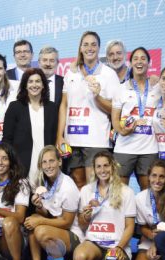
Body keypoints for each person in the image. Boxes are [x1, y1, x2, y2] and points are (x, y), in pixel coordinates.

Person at [56, 31, 119, 189]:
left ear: (99, 48)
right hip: (72, 139)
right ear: (80, 48)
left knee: (94, 185)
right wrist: (59, 135)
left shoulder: (109, 74)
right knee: (77, 183)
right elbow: (64, 104)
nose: (89, 48)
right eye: (86, 44)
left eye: (93, 44)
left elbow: (115, 109)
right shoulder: (71, 72)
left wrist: (97, 96)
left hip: (96, 140)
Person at [73, 151, 136, 260]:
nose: (103, 170)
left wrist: (119, 248)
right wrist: (86, 216)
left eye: (106, 165)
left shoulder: (127, 192)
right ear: (94, 169)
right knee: (79, 258)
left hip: (116, 246)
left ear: (113, 167)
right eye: (99, 166)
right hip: (94, 244)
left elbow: (130, 226)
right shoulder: (86, 190)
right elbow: (82, 226)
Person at [24, 145, 81, 260]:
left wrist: (40, 222)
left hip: (73, 235)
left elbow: (67, 222)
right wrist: (39, 208)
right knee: (32, 220)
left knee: (40, 229)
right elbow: (49, 214)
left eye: (52, 161)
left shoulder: (68, 186)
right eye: (44, 162)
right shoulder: (44, 182)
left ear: (60, 162)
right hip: (56, 228)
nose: (48, 166)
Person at [111, 47, 159, 190]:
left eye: (143, 58)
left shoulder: (157, 88)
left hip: (148, 149)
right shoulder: (121, 89)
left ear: (149, 63)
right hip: (124, 147)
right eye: (135, 59)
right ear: (130, 63)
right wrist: (123, 131)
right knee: (119, 194)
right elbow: (115, 119)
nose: (139, 62)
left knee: (149, 194)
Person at [3, 68, 57, 181]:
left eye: (38, 81)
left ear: (43, 85)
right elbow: (7, 140)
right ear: (25, 86)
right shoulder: (15, 107)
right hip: (21, 168)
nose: (34, 85)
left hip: (47, 166)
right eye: (30, 81)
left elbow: (55, 137)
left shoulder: (52, 108)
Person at [132, 159, 165, 260]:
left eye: (162, 176)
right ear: (148, 177)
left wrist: (159, 243)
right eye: (154, 175)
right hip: (150, 240)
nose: (157, 180)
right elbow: (142, 227)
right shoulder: (139, 198)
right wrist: (151, 236)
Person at [38, 46, 64, 118]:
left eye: (52, 60)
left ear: (57, 63)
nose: (48, 64)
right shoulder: (31, 83)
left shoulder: (64, 83)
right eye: (45, 60)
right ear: (39, 62)